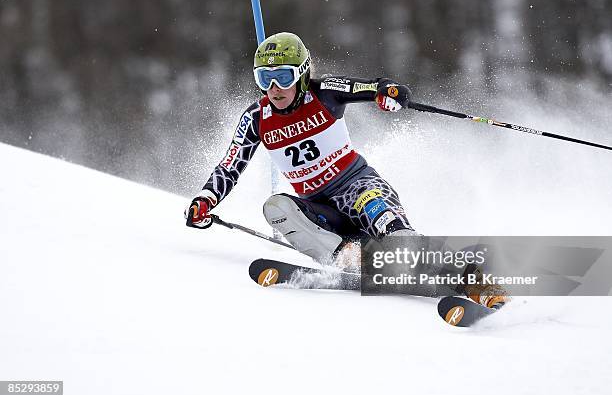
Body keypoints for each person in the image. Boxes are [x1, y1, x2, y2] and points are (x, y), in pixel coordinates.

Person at [185, 32, 507, 309]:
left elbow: (374, 86)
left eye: (283, 77)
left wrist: (390, 93)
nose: (274, 88)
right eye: (263, 79)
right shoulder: (256, 117)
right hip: (321, 209)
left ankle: (475, 281)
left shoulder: (324, 92)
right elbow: (230, 166)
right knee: (276, 208)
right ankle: (348, 258)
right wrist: (206, 199)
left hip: (358, 186)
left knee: (399, 241)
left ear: (301, 74)